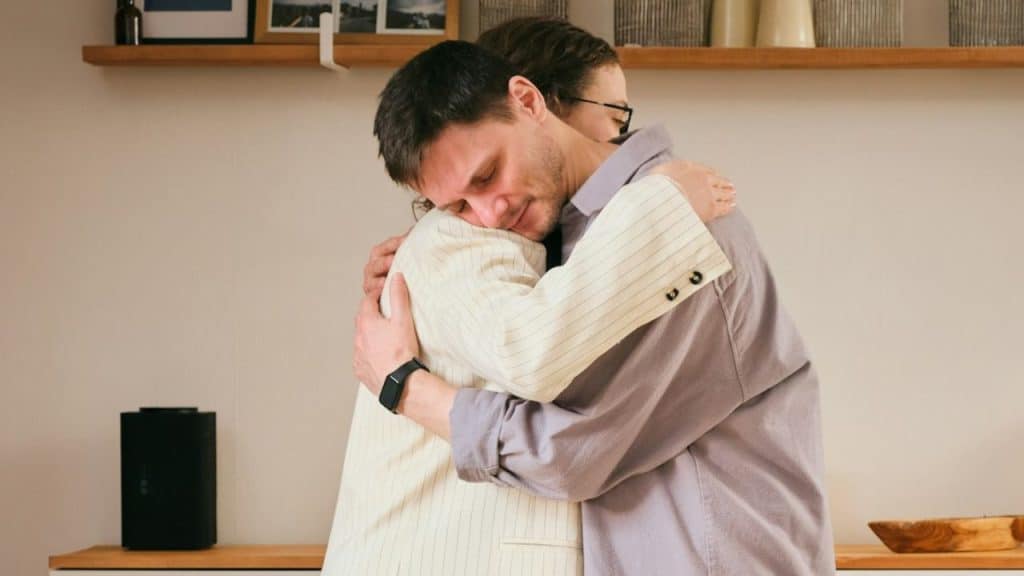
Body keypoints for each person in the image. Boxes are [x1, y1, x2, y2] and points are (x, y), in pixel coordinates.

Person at [351, 40, 836, 576]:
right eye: (459, 206)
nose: (488, 213)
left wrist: (404, 387)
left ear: (529, 102)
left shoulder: (680, 228)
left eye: (488, 175)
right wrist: (422, 266)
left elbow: (571, 453)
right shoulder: (563, 245)